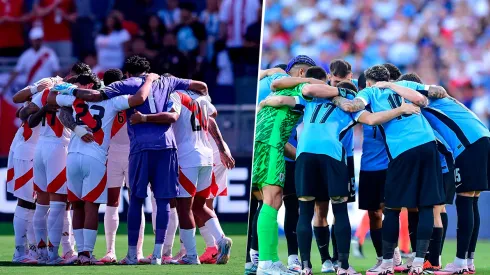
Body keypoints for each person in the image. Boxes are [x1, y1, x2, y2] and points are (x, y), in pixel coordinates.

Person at [53, 55, 208, 265]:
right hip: (167, 146)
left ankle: (130, 254)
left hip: (137, 148)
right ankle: (159, 254)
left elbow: (95, 97)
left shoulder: (125, 84)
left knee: (134, 200)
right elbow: (200, 85)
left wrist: (69, 90)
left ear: (127, 73)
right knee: (163, 202)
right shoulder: (168, 81)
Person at [334, 65, 445, 275]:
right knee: (427, 206)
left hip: (402, 151)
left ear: (367, 82)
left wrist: (338, 97)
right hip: (428, 144)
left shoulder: (370, 92)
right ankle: (419, 263)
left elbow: (353, 106)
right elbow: (433, 93)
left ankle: (386, 263)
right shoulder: (404, 85)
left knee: (392, 209)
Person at [253, 57, 357, 275]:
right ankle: (265, 262)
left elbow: (280, 99)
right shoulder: (300, 85)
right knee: (273, 199)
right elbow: (280, 86)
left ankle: (278, 260)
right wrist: (339, 93)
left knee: (280, 200)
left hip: (279, 145)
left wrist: (264, 103)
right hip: (273, 141)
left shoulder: (302, 97)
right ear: (303, 74)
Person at [47, 72, 157, 264]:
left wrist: (71, 88)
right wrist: (149, 80)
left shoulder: (75, 99)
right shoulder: (113, 101)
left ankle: (80, 252)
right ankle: (87, 254)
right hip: (96, 158)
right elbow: (140, 98)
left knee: (77, 205)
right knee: (91, 206)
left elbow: (50, 97)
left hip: (72, 156)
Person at [395, 73, 489, 275]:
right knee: (472, 201)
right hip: (481, 138)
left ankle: (459, 264)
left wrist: (389, 85)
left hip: (468, 144)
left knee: (465, 201)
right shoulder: (439, 105)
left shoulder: (424, 96)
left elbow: (434, 91)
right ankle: (468, 261)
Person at [1, 27, 60, 95]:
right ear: (31, 40)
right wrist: (6, 87)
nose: (37, 42)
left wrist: (59, 88)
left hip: (47, 89)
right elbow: (16, 72)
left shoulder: (50, 53)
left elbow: (56, 72)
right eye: (35, 40)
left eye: (39, 40)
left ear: (42, 40)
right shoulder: (26, 55)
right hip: (32, 90)